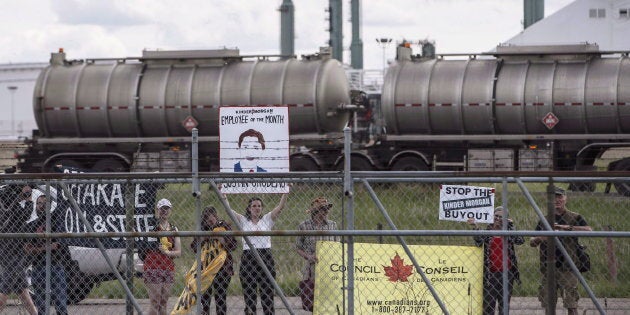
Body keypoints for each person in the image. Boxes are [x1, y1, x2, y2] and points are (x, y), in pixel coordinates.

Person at [530, 186, 592, 315]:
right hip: (549, 267)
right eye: (554, 197)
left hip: (568, 267)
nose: (557, 200)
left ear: (565, 199)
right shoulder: (544, 219)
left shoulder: (575, 217)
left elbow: (589, 230)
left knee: (572, 304)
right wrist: (544, 236)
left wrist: (565, 228)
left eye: (560, 197)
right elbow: (532, 242)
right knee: (549, 304)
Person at [223, 192, 288, 315]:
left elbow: (280, 208)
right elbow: (229, 211)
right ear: (249, 208)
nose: (257, 208)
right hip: (249, 257)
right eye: (254, 206)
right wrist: (224, 195)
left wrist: (285, 192)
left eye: (259, 206)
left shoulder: (267, 219)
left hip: (265, 256)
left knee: (267, 292)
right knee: (249, 292)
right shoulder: (243, 221)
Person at [468, 206, 524, 315]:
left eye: (501, 217)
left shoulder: (508, 232)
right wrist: (475, 226)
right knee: (488, 307)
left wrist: (511, 226)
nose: (498, 219)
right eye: (496, 216)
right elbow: (478, 242)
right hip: (490, 275)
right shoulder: (487, 231)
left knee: (504, 306)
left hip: (507, 274)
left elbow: (520, 240)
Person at [24, 195, 71, 315]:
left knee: (60, 302)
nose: (41, 206)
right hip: (38, 267)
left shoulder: (56, 222)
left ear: (49, 206)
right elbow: (27, 249)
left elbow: (59, 245)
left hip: (55, 265)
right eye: (38, 203)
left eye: (44, 204)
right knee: (41, 304)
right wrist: (46, 247)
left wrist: (39, 248)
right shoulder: (31, 226)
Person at [295, 197, 340, 312]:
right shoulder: (304, 226)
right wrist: (309, 256)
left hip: (329, 268)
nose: (326, 211)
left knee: (329, 300)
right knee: (313, 300)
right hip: (312, 267)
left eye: (327, 209)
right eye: (323, 209)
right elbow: (298, 247)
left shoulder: (332, 225)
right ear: (315, 211)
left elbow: (338, 245)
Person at [190, 206, 237, 315]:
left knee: (221, 298)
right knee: (204, 299)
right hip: (206, 269)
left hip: (223, 268)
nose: (211, 222)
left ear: (216, 217)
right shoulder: (202, 229)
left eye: (213, 219)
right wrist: (203, 238)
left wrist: (222, 240)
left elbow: (233, 245)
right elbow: (193, 247)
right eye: (208, 220)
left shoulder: (224, 226)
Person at [0, 185, 38, 315]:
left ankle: (34, 313)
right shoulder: (10, 208)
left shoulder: (5, 207)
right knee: (6, 287)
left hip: (8, 248)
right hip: (12, 250)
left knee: (21, 287)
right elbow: (25, 215)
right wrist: (29, 199)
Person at [143, 198, 181, 315]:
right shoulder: (151, 227)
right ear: (157, 210)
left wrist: (167, 253)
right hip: (153, 266)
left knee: (164, 301)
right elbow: (143, 245)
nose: (164, 211)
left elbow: (178, 252)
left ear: (170, 211)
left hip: (168, 267)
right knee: (155, 301)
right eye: (162, 209)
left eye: (166, 209)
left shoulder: (174, 229)